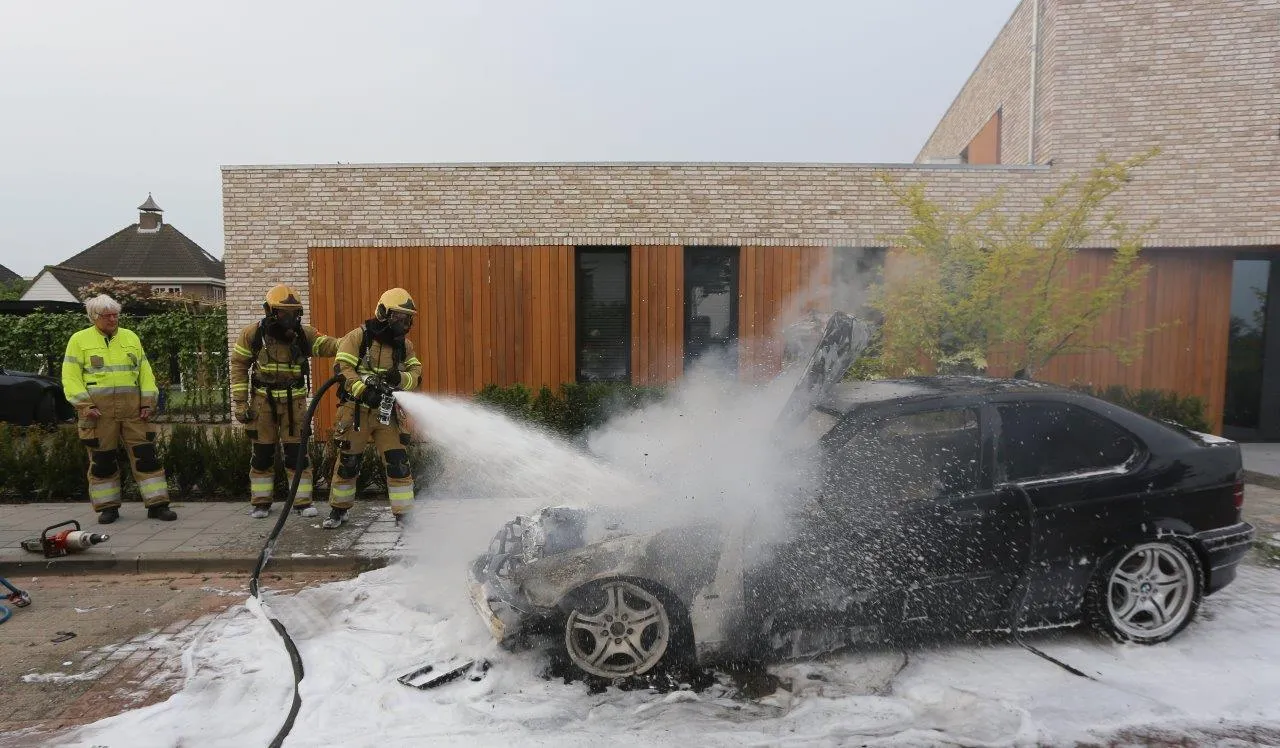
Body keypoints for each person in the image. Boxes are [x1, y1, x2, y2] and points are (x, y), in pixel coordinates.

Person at [62, 294, 176, 524]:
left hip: (133, 409)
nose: (114, 319)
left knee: (147, 456)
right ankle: (108, 507)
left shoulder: (131, 337)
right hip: (98, 413)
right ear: (95, 317)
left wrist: (147, 402)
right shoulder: (79, 340)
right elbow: (70, 377)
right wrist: (85, 405)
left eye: (116, 315)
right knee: (102, 460)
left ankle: (158, 505)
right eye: (108, 316)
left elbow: (145, 372)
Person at [229, 284, 340, 518]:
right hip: (262, 404)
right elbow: (239, 366)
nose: (289, 318)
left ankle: (302, 502)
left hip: (294, 405)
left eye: (293, 313)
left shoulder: (304, 335)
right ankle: (261, 502)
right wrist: (240, 403)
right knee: (262, 454)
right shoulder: (253, 334)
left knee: (296, 453)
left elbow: (328, 345)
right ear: (270, 311)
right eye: (283, 313)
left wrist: (354, 341)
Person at [324, 288, 423, 529]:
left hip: (387, 413)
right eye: (399, 317)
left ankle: (404, 514)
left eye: (408, 318)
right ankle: (338, 510)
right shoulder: (358, 338)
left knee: (398, 462)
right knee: (349, 462)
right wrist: (362, 390)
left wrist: (398, 378)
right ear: (383, 313)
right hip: (355, 410)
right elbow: (342, 368)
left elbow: (416, 375)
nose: (404, 323)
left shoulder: (404, 346)